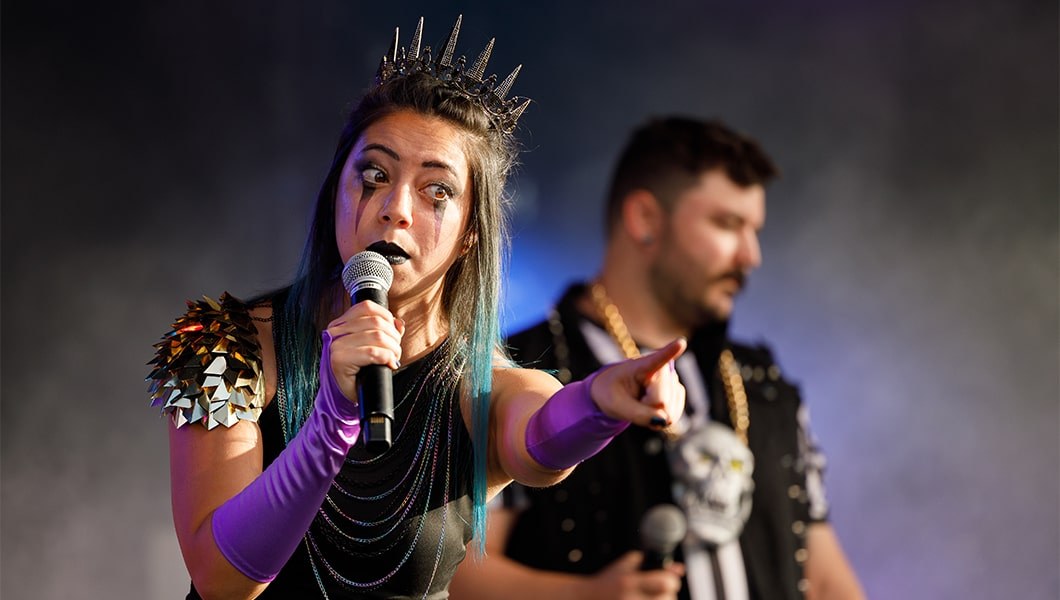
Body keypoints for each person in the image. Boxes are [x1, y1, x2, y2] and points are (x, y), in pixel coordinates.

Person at [147, 18, 687, 600]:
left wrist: (602, 403)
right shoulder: (231, 345)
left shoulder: (482, 388)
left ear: (469, 234)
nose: (396, 208)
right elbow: (220, 580)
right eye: (374, 175)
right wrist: (330, 423)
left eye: (437, 192)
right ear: (337, 189)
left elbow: (541, 436)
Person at [450, 117, 865, 600]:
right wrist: (581, 598)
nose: (750, 255)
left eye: (754, 230)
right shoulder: (516, 368)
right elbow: (451, 573)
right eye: (727, 224)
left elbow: (825, 576)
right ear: (645, 218)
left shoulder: (763, 381)